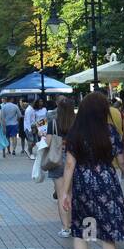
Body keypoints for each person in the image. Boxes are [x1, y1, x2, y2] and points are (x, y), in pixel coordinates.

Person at [60, 92, 124, 249]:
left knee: (83, 231)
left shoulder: (75, 133)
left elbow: (70, 165)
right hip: (107, 183)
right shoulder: (110, 131)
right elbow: (122, 161)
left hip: (84, 186)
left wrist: (65, 192)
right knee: (108, 236)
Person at [49, 97, 76, 237]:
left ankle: (66, 227)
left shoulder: (53, 122)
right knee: (71, 194)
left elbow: (48, 142)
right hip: (74, 159)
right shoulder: (77, 123)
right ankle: (73, 223)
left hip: (57, 160)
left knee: (61, 195)